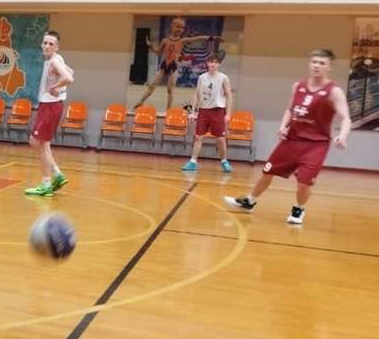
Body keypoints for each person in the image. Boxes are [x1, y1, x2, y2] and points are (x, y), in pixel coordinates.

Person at [224, 49, 351, 225]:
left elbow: (345, 117)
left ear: (329, 67)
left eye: (322, 63)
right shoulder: (298, 86)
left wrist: (342, 136)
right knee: (268, 172)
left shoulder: (334, 91)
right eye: (314, 62)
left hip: (316, 144)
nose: (317, 66)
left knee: (304, 182)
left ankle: (299, 209)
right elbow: (290, 110)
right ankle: (250, 201)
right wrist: (283, 126)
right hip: (292, 140)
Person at [24, 30, 74, 197]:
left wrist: (55, 87)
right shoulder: (56, 59)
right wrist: (59, 86)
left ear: (56, 47)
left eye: (51, 44)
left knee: (36, 142)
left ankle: (47, 183)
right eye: (45, 43)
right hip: (50, 105)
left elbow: (69, 78)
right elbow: (71, 72)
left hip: (50, 106)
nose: (47, 46)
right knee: (42, 144)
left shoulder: (54, 61)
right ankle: (57, 175)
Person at [132, 17, 213, 111]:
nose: (180, 30)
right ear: (172, 26)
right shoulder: (165, 40)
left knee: (170, 90)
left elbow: (197, 38)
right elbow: (158, 52)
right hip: (164, 66)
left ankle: (168, 110)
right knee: (152, 86)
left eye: (182, 28)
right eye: (178, 27)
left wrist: (212, 38)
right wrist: (151, 46)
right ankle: (140, 102)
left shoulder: (182, 40)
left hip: (174, 67)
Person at [181, 52, 233, 173]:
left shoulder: (223, 78)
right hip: (203, 110)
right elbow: (196, 94)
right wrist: (192, 111)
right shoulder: (202, 77)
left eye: (215, 62)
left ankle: (224, 161)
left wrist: (228, 113)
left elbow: (229, 95)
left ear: (219, 64)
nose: (212, 64)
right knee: (198, 137)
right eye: (210, 62)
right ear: (207, 63)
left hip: (218, 111)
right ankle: (193, 162)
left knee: (220, 139)